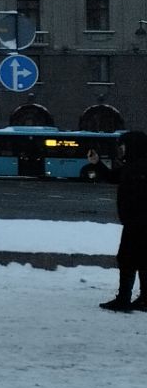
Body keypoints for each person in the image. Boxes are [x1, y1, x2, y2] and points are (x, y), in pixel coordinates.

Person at [85, 129, 147, 312]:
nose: (122, 149)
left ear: (133, 146)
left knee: (127, 259)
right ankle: (144, 299)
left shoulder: (137, 167)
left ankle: (123, 299)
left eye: (123, 146)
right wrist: (97, 163)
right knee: (142, 259)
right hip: (138, 222)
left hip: (137, 223)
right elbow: (114, 177)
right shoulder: (136, 164)